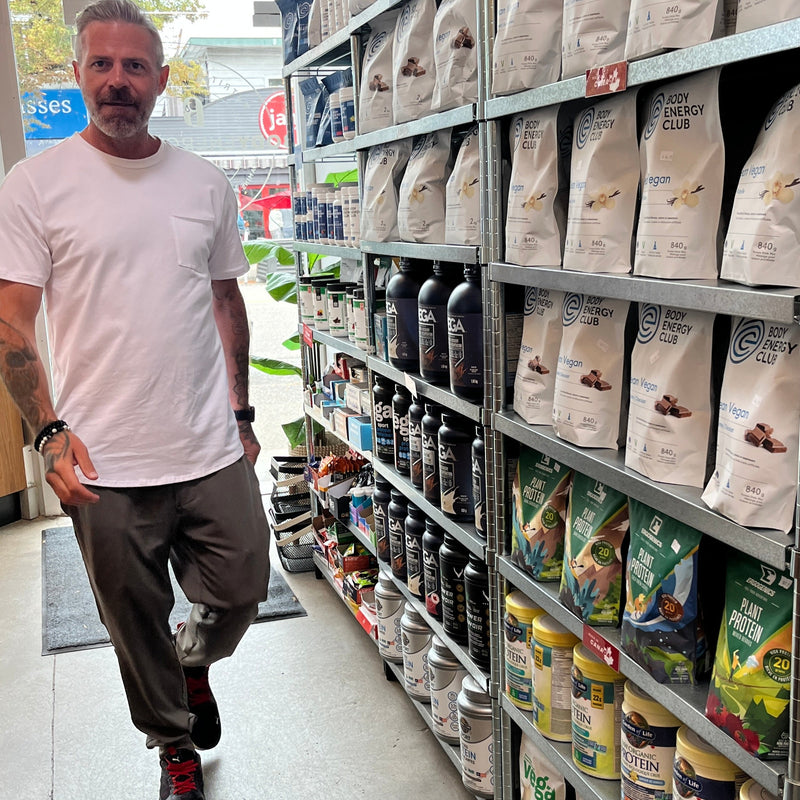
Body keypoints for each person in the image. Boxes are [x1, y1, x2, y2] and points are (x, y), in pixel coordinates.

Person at [0, 2, 270, 798]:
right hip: (101, 456)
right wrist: (47, 435)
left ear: (160, 79)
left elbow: (228, 302)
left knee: (242, 589)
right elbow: (13, 322)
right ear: (79, 74)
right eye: (102, 65)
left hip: (207, 441)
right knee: (132, 619)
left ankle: (194, 667)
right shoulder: (36, 184)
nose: (118, 81)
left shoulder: (204, 181)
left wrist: (244, 412)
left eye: (135, 66)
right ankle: (172, 745)